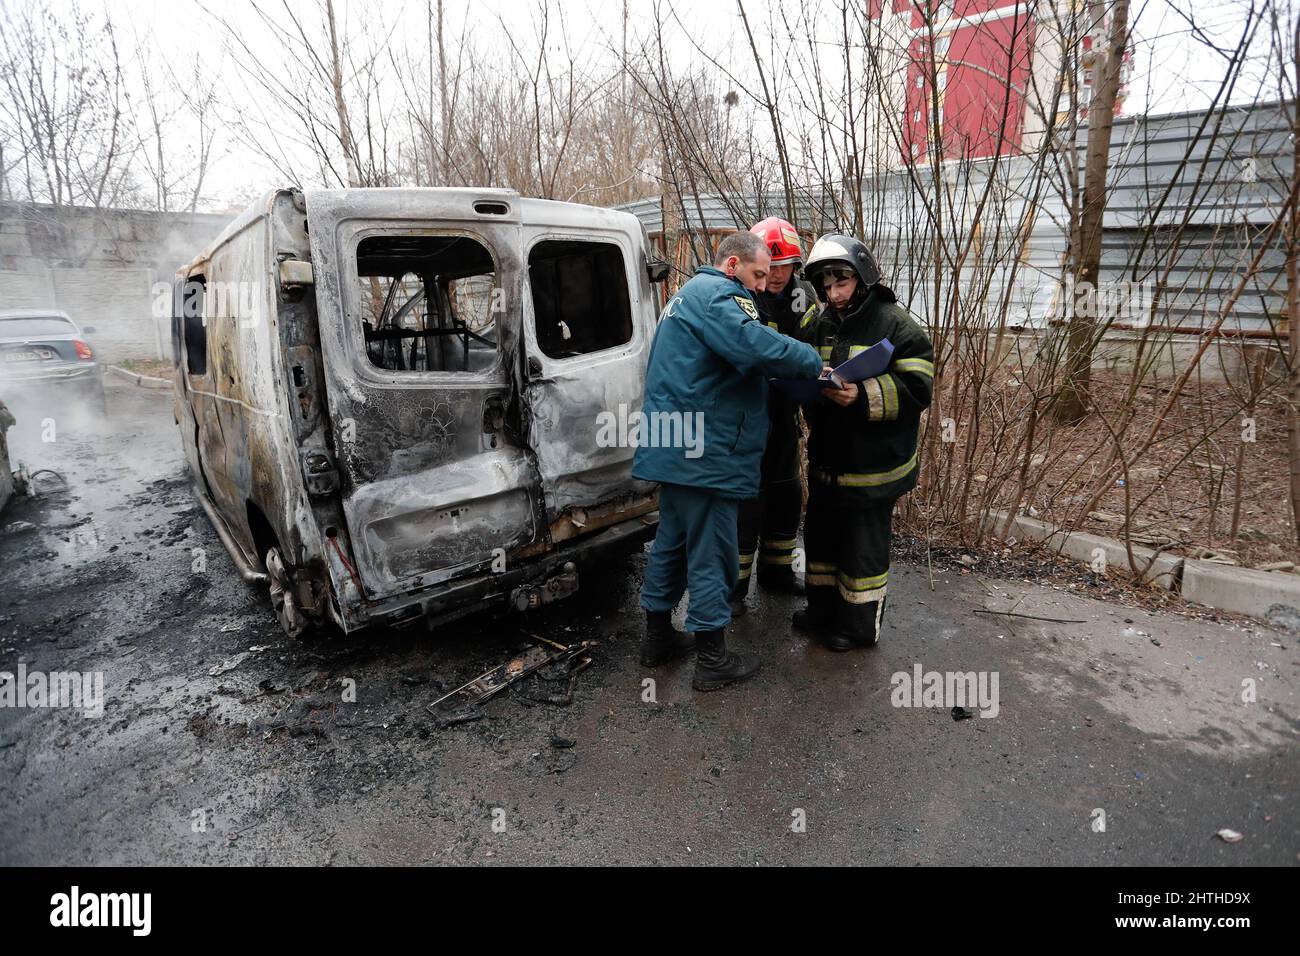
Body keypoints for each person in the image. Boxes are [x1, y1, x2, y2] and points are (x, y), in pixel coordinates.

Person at [635, 231, 823, 690]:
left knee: (673, 544)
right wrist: (813, 361)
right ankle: (712, 660)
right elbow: (752, 345)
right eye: (759, 273)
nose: (763, 284)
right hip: (706, 454)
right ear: (733, 264)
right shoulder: (720, 293)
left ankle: (656, 640)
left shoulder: (685, 296)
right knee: (712, 553)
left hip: (674, 448)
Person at [797, 234, 935, 651]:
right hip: (828, 461)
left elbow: (918, 388)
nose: (834, 294)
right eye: (826, 285)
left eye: (842, 283)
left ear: (863, 278)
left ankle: (857, 628)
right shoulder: (817, 322)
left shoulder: (897, 324)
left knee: (861, 550)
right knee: (821, 540)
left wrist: (863, 395)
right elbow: (799, 363)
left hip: (875, 466)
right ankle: (821, 611)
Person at [728, 217, 819, 616]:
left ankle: (777, 571)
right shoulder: (736, 295)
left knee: (786, 493)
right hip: (744, 418)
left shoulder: (805, 298)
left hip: (785, 416)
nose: (778, 275)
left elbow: (816, 346)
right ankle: (733, 588)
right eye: (772, 266)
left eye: (787, 265)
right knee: (746, 502)